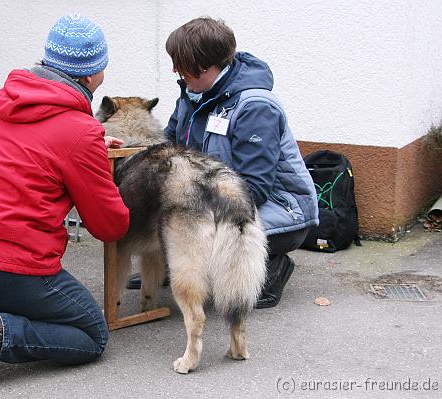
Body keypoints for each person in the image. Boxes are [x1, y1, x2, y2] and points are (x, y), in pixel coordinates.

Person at [0, 14, 129, 388]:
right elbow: (109, 226)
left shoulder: (1, 100)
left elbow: (32, 148)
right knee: (93, 335)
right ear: (90, 75)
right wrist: (91, 157)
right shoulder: (79, 131)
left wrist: (84, 149)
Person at [127, 17, 319, 309]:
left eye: (179, 64)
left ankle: (271, 269)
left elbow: (254, 188)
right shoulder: (192, 94)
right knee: (169, 212)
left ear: (202, 66)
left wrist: (190, 216)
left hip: (280, 209)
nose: (174, 70)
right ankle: (173, 268)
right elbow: (168, 149)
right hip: (216, 193)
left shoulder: (255, 106)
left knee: (192, 224)